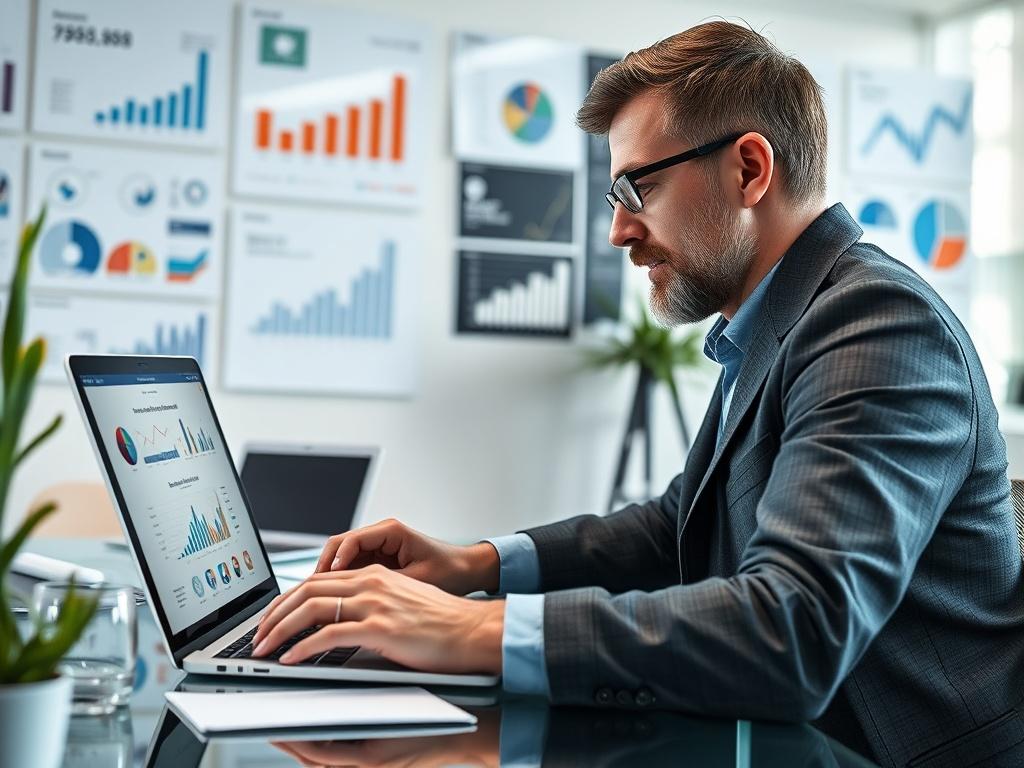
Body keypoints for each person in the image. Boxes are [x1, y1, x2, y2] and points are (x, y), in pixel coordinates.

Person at [251, 21, 1024, 767]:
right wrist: (477, 565)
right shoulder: (786, 320)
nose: (620, 231)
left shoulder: (876, 325)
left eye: (635, 188)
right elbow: (675, 530)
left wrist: (470, 630)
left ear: (750, 169)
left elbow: (794, 629)